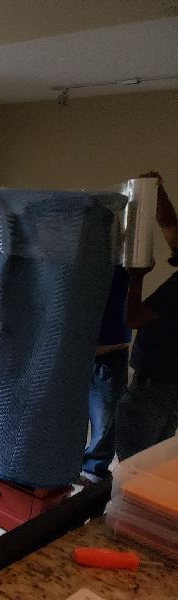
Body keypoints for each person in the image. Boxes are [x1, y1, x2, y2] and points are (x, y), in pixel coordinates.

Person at [117, 172, 178, 460]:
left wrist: (137, 277)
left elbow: (134, 318)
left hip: (154, 386)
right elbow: (172, 228)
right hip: (172, 386)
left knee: (133, 462)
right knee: (154, 457)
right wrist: (158, 193)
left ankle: (122, 503)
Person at [80, 264, 130, 483]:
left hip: (111, 351)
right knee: (69, 415)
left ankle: (94, 467)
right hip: (77, 349)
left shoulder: (126, 259)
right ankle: (66, 464)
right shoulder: (79, 257)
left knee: (106, 418)